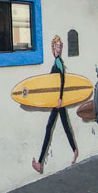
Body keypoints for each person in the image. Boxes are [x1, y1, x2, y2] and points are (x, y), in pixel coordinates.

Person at [32, 35, 79, 173]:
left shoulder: (58, 61)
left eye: (60, 45)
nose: (59, 47)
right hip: (57, 100)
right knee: (65, 126)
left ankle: (40, 163)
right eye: (57, 45)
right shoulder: (57, 61)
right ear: (53, 47)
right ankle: (74, 149)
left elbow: (62, 80)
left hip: (58, 101)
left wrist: (59, 98)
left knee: (50, 128)